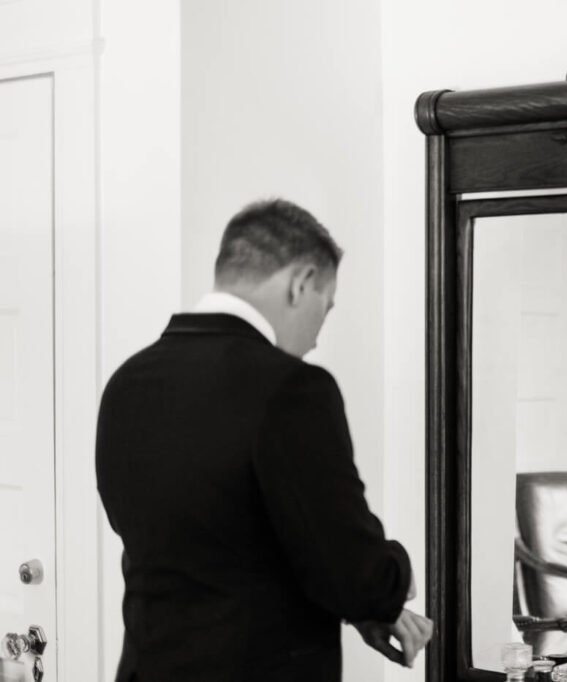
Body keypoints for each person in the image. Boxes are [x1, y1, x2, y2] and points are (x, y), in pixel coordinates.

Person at [96, 199, 432, 681]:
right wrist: (393, 576)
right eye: (326, 306)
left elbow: (206, 543)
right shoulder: (294, 389)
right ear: (301, 283)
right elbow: (351, 575)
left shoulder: (128, 382)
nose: (317, 336)